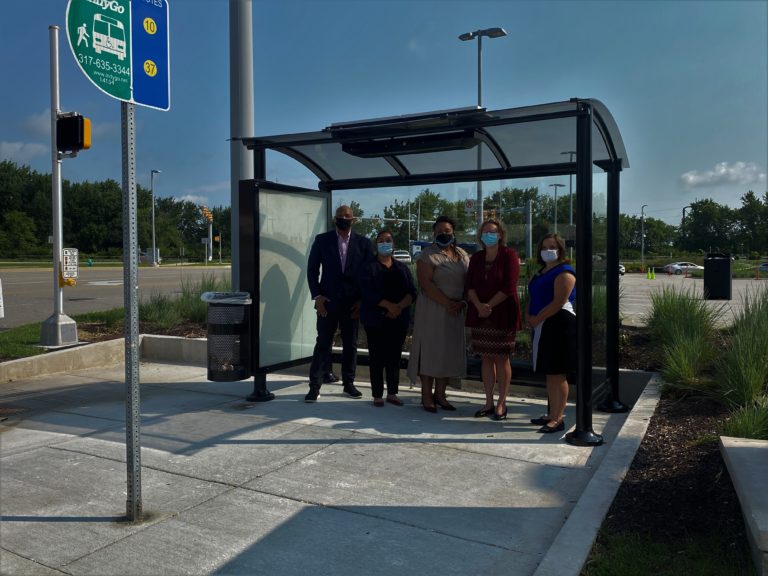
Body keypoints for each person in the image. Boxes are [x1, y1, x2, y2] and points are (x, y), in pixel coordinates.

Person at [305, 205, 374, 402]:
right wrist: (317, 296)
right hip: (327, 302)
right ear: (335, 219)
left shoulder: (363, 243)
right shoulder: (322, 240)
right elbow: (311, 270)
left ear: (353, 219)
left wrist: (362, 301)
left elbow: (369, 275)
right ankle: (314, 385)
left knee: (350, 344)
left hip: (352, 304)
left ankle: (348, 383)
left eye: (347, 216)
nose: (343, 218)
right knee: (323, 343)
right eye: (340, 216)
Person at [407, 216, 470, 412]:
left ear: (454, 232)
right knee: (431, 353)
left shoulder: (462, 254)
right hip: (433, 310)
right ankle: (426, 396)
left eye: (448, 230)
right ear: (433, 234)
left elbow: (469, 281)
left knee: (447, 354)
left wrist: (461, 302)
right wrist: (448, 304)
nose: (444, 234)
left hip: (455, 312)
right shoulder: (427, 255)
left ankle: (440, 395)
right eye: (440, 231)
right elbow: (426, 284)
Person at [465, 218, 521, 421]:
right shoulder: (477, 258)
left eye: (493, 232)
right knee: (486, 358)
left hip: (502, 315)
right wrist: (479, 306)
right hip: (480, 316)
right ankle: (488, 402)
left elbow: (509, 286)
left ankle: (501, 403)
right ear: (480, 236)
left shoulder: (509, 255)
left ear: (500, 235)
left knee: (502, 358)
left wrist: (489, 306)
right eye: (485, 232)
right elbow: (469, 285)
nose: (489, 235)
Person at [359, 230, 417, 407]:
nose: (385, 243)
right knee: (377, 358)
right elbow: (368, 293)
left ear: (393, 244)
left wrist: (398, 307)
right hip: (376, 320)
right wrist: (389, 306)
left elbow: (412, 292)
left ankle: (392, 393)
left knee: (394, 358)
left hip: (398, 320)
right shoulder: (368, 267)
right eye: (381, 240)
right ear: (376, 244)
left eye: (388, 240)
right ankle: (377, 394)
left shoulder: (402, 268)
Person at [525, 233, 577, 433]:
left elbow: (558, 302)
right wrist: (530, 315)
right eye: (544, 247)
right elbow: (534, 295)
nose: (548, 251)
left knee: (558, 373)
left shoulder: (565, 272)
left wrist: (537, 318)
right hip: (542, 325)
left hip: (558, 324)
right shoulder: (541, 272)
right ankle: (551, 413)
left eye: (552, 246)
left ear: (560, 249)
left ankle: (558, 417)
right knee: (550, 373)